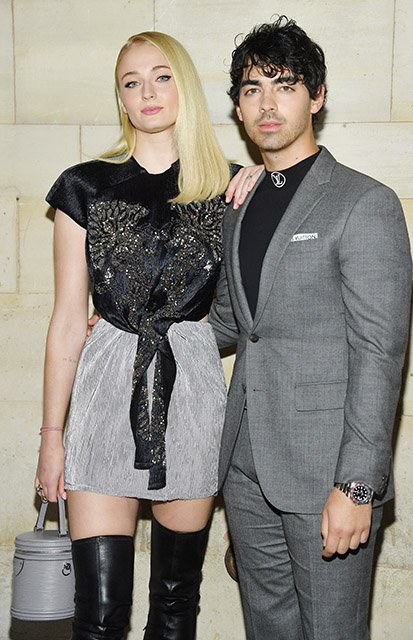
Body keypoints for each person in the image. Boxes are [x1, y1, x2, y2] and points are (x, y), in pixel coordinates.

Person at [34, 30, 258, 640]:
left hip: (192, 395)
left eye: (161, 77)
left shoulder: (230, 188)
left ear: (183, 85)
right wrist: (51, 437)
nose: (147, 92)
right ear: (120, 98)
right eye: (131, 82)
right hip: (105, 388)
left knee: (176, 606)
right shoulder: (84, 186)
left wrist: (261, 179)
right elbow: (66, 321)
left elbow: (251, 305)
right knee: (99, 613)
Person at [209, 16, 412, 640]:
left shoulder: (364, 202)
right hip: (245, 467)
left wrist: (357, 485)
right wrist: (131, 327)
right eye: (252, 89)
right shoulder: (238, 204)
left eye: (286, 86)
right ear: (239, 107)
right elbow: (229, 323)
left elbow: (380, 353)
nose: (267, 104)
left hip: (328, 473)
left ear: (317, 97)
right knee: (267, 629)